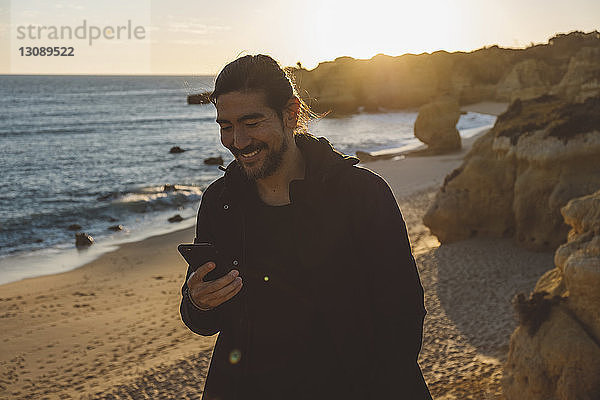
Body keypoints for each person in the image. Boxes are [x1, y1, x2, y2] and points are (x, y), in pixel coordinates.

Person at [180, 54, 432, 400]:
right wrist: (198, 302)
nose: (237, 141)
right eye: (226, 126)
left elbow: (403, 315)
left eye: (251, 123)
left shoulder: (361, 194)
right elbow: (204, 320)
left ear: (290, 113)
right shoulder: (220, 202)